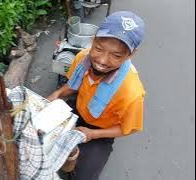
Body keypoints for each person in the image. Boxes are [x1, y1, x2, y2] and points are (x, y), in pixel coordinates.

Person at [47, 11, 146, 180]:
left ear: (131, 54)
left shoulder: (132, 93)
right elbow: (72, 86)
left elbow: (127, 129)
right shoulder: (82, 58)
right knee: (42, 139)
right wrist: (56, 95)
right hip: (77, 111)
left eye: (116, 55)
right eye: (99, 49)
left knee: (83, 176)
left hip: (101, 131)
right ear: (93, 39)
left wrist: (92, 134)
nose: (102, 61)